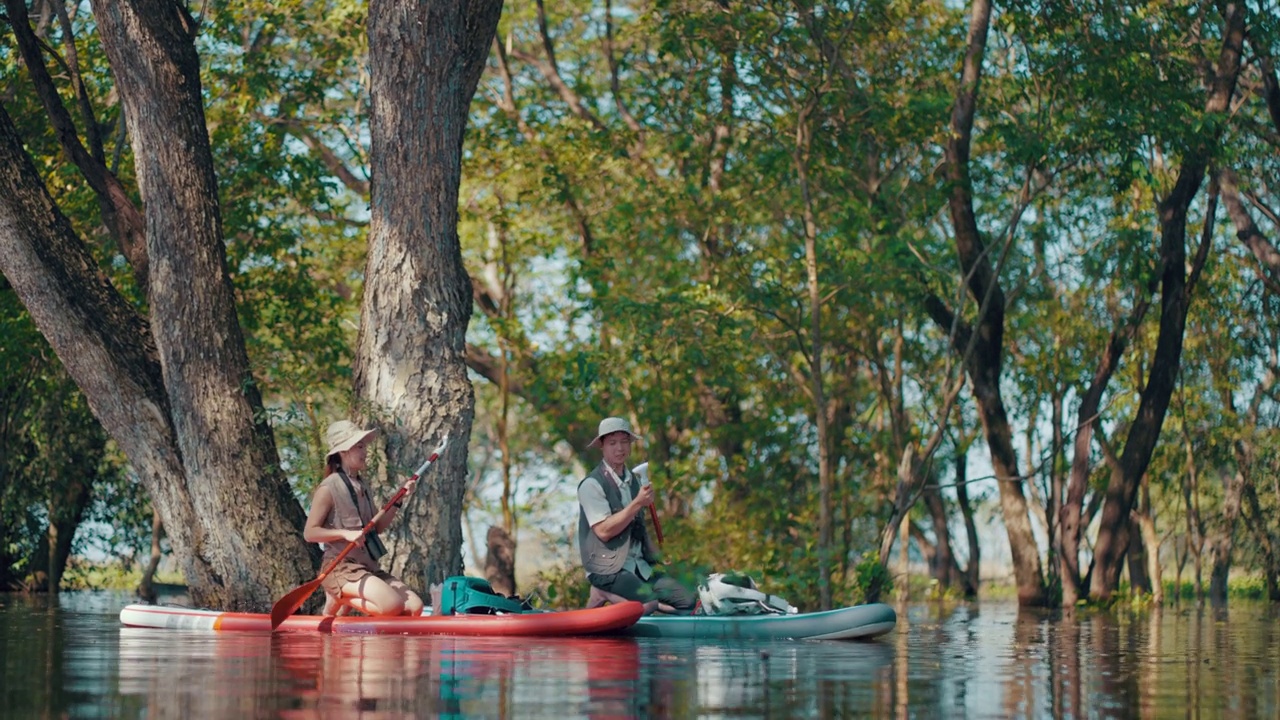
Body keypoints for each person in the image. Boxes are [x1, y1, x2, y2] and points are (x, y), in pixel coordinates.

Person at [304, 420, 425, 617]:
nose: (365, 451)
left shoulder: (363, 485)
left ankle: (340, 604)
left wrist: (398, 500)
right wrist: (345, 533)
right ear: (343, 451)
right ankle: (335, 598)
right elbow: (310, 533)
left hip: (368, 568)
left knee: (414, 608)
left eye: (365, 446)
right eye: (359, 446)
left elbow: (376, 529)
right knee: (392, 606)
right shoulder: (329, 488)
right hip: (341, 568)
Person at [577, 416, 696, 614]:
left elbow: (640, 530)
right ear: (602, 446)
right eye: (612, 443)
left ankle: (649, 607)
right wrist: (637, 503)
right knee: (648, 604)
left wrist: (658, 559)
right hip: (607, 568)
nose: (620, 448)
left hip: (640, 566)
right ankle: (601, 592)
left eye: (625, 442)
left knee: (687, 601)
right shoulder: (591, 485)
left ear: (630, 445)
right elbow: (604, 531)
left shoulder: (635, 481)